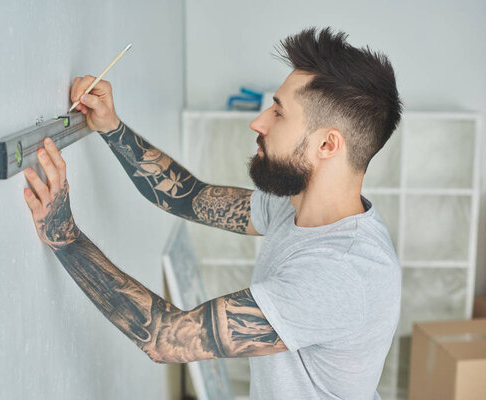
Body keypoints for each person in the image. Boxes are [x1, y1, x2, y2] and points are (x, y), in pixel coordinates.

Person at [23, 26, 402, 400]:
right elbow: (190, 197)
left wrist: (66, 237)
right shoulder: (298, 204)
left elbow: (166, 338)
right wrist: (111, 127)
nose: (259, 122)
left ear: (327, 144)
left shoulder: (340, 275)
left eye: (279, 113)